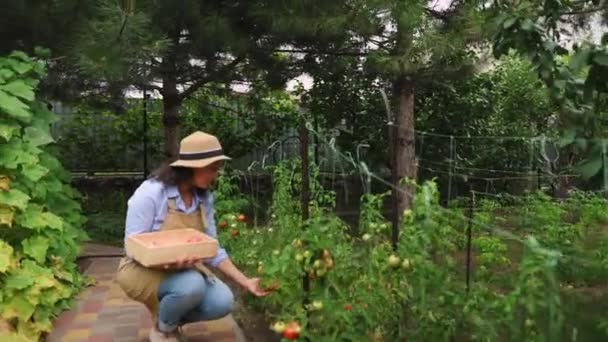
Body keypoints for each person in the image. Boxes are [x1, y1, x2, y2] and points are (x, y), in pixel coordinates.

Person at [116, 131, 268, 342]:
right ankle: (163, 332)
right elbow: (132, 246)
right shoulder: (150, 193)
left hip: (182, 272)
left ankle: (166, 321)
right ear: (191, 167)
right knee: (192, 284)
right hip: (138, 270)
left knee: (223, 301)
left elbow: (212, 250)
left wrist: (246, 282)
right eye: (212, 169)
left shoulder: (203, 198)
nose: (216, 175)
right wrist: (167, 262)